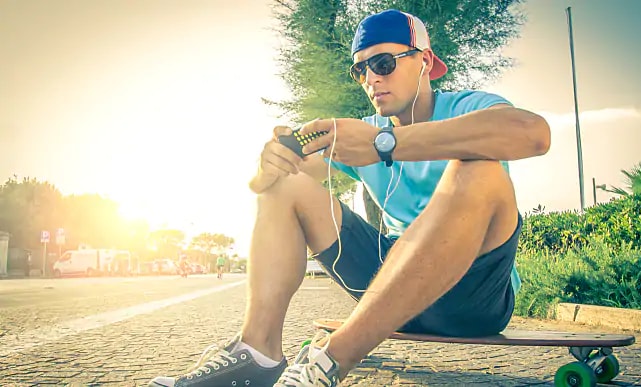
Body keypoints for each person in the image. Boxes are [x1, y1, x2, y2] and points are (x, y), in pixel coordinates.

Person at [147, 8, 550, 387]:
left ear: (425, 61)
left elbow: (533, 135)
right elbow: (280, 185)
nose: (371, 79)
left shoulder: (466, 108)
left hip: (470, 301)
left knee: (479, 168)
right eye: (361, 70)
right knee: (285, 186)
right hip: (387, 283)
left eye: (383, 64)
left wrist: (385, 143)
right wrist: (269, 165)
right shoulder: (362, 133)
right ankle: (258, 353)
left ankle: (328, 362)